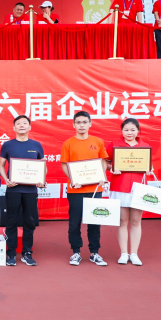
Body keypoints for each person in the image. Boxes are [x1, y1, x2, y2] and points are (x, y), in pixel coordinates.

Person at [60, 111, 109, 266]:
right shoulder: (68, 143)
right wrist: (73, 180)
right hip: (75, 189)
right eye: (78, 122)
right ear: (74, 124)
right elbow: (64, 164)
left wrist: (102, 176)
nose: (82, 125)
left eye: (84, 122)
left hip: (95, 189)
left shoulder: (98, 141)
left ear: (90, 124)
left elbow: (103, 161)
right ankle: (76, 252)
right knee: (74, 222)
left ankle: (95, 253)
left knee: (94, 221)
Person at [0, 115, 45, 266]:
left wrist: (41, 180)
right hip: (13, 190)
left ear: (29, 127)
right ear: (14, 128)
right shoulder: (7, 145)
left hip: (31, 191)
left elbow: (42, 166)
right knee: (11, 221)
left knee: (29, 222)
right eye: (18, 123)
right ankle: (11, 253)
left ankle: (26, 252)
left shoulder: (36, 145)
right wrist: (6, 179)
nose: (22, 125)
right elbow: (1, 165)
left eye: (25, 123)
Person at [106, 118, 152, 266]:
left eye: (133, 130)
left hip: (138, 188)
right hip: (120, 186)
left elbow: (149, 165)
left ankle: (134, 254)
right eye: (126, 130)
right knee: (122, 221)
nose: (129, 133)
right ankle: (124, 253)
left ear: (138, 131)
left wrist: (149, 169)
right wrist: (112, 168)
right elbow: (106, 162)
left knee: (136, 221)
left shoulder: (145, 147)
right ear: (122, 131)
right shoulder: (114, 145)